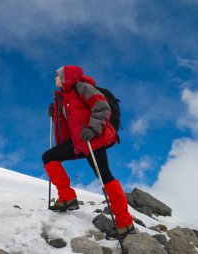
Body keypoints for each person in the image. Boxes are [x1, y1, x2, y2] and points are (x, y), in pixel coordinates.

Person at [42, 65, 135, 238]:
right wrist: (55, 113)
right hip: (80, 142)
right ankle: (67, 198)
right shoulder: (65, 97)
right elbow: (72, 123)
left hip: (93, 140)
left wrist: (93, 129)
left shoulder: (81, 87)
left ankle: (125, 223)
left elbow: (102, 106)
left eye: (57, 76)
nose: (55, 79)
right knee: (49, 158)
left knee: (105, 177)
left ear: (65, 76)